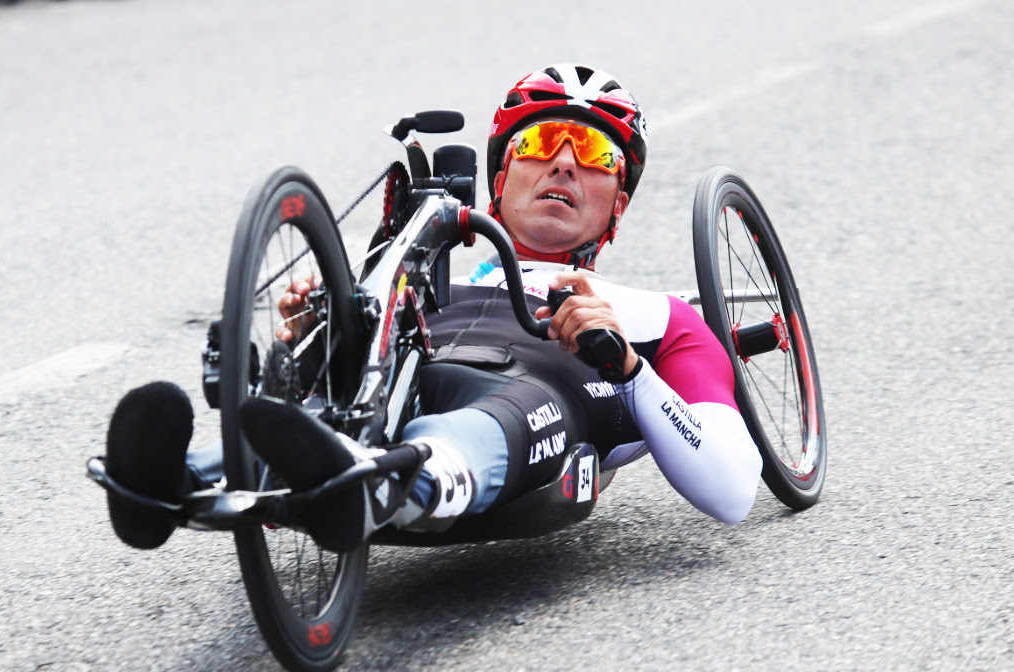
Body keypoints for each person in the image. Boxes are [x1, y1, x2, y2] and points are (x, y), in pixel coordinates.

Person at [102, 64, 762, 553]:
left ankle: (399, 483)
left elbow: (731, 492)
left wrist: (627, 368)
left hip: (526, 398)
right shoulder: (416, 268)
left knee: (512, 408)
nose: (562, 162)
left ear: (616, 203)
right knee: (313, 407)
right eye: (540, 143)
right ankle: (165, 484)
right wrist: (320, 336)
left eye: (592, 153)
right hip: (404, 381)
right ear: (499, 181)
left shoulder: (662, 318)